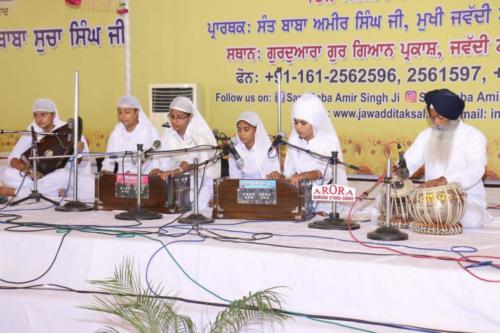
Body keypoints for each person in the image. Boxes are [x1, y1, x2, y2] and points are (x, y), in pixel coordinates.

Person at [404, 88, 492, 229]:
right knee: (383, 202)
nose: (436, 123)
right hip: (430, 200)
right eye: (432, 117)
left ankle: (430, 219)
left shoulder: (474, 136)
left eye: (440, 118)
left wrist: (444, 180)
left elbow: (476, 169)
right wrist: (398, 171)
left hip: (464, 199)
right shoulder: (426, 135)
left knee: (472, 219)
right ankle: (430, 217)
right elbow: (409, 161)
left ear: (453, 117)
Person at [267, 93, 348, 212]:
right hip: (300, 200)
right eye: (295, 122)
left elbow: (327, 173)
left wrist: (304, 175)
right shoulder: (293, 140)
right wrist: (279, 177)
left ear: (314, 122)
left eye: (303, 123)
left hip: (326, 203)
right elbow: (290, 174)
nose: (298, 127)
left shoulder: (328, 141)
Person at [0, 98, 90, 199]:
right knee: (7, 173)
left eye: (43, 114)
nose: (39, 118)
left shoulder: (69, 131)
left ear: (53, 115)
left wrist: (78, 152)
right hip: (37, 177)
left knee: (63, 175)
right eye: (36, 115)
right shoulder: (32, 131)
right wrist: (28, 171)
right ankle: (50, 192)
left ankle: (17, 192)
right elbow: (13, 157)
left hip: (58, 177)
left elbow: (82, 165)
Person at [151, 96, 219, 210]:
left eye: (179, 117)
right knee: (163, 200)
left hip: (203, 180)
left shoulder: (199, 135)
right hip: (180, 180)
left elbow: (193, 157)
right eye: (171, 116)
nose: (174, 121)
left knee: (194, 202)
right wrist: (160, 171)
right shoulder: (168, 133)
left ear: (190, 117)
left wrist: (176, 171)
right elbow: (165, 158)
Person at [100, 95, 161, 174]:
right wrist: (105, 172)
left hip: (145, 178)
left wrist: (133, 173)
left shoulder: (149, 130)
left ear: (137, 112)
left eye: (127, 112)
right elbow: (108, 160)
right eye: (120, 112)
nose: (123, 116)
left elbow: (153, 159)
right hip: (122, 180)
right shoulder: (116, 132)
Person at [228, 111, 280, 179]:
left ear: (256, 130)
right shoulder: (235, 151)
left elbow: (276, 178)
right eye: (239, 130)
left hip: (266, 188)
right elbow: (234, 180)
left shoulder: (269, 150)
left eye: (246, 129)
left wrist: (274, 175)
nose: (241, 134)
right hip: (242, 188)